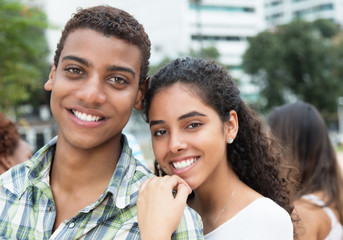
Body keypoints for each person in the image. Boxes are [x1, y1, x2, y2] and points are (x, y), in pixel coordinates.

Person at [0, 6, 203, 239]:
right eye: (75, 70)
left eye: (117, 79)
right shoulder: (5, 193)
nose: (91, 95)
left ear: (139, 94)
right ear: (53, 74)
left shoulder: (173, 221)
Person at [137, 57, 296, 239]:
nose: (174, 145)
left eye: (193, 125)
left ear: (230, 126)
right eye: (160, 131)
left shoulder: (265, 220)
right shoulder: (162, 210)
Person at [268, 102, 343, 240]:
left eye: (271, 141)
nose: (267, 151)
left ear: (287, 148)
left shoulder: (303, 212)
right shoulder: (332, 195)